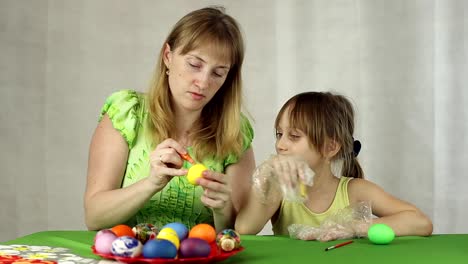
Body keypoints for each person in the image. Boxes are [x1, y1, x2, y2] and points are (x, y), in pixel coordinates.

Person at [84, 6, 255, 232]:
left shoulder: (235, 131)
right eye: (194, 64)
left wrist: (222, 210)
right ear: (168, 56)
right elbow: (94, 217)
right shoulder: (128, 112)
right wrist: (150, 184)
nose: (203, 82)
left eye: (218, 72)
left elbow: (238, 234)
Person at [235, 92, 433, 240]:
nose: (280, 145)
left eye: (294, 136)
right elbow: (244, 229)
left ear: (330, 147)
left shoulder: (355, 191)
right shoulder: (280, 190)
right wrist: (266, 181)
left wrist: (355, 227)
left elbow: (420, 222)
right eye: (279, 134)